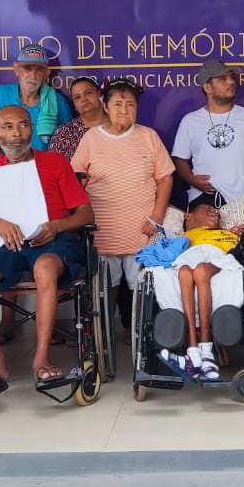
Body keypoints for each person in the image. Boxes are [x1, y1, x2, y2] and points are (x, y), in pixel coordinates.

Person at [0, 105, 95, 384]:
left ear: (32, 129)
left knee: (45, 267)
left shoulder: (55, 162)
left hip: (55, 244)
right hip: (10, 246)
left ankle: (42, 358)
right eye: (8, 127)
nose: (16, 133)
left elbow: (86, 214)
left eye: (23, 125)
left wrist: (56, 226)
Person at [71, 79, 174, 341]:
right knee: (106, 286)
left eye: (130, 104)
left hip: (142, 227)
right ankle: (103, 335)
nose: (124, 110)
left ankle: (143, 336)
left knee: (141, 286)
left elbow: (165, 178)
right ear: (105, 106)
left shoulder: (148, 136)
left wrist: (157, 216)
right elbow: (76, 179)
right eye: (118, 104)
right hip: (103, 229)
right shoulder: (91, 138)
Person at [155, 193, 244, 381]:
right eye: (207, 209)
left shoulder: (229, 234)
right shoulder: (182, 238)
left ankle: (206, 350)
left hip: (216, 258)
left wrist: (239, 236)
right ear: (188, 217)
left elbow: (238, 254)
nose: (215, 213)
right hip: (189, 256)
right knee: (184, 272)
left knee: (201, 270)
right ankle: (194, 352)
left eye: (218, 213)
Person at [172, 60, 244, 228]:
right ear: (207, 87)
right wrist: (191, 179)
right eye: (223, 79)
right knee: (205, 252)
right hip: (203, 205)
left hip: (241, 204)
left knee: (241, 253)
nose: (231, 82)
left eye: (231, 77)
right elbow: (179, 160)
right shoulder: (190, 121)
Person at [0, 43, 67, 151]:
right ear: (16, 68)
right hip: (9, 164)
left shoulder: (57, 100)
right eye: (27, 68)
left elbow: (66, 139)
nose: (33, 75)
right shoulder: (0, 94)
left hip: (44, 165)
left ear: (47, 73)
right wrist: (1, 167)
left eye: (39, 69)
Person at [47, 77, 107, 161]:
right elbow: (52, 165)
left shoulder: (117, 125)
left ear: (99, 94)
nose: (84, 99)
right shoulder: (64, 132)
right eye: (77, 97)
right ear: (75, 105)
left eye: (88, 93)